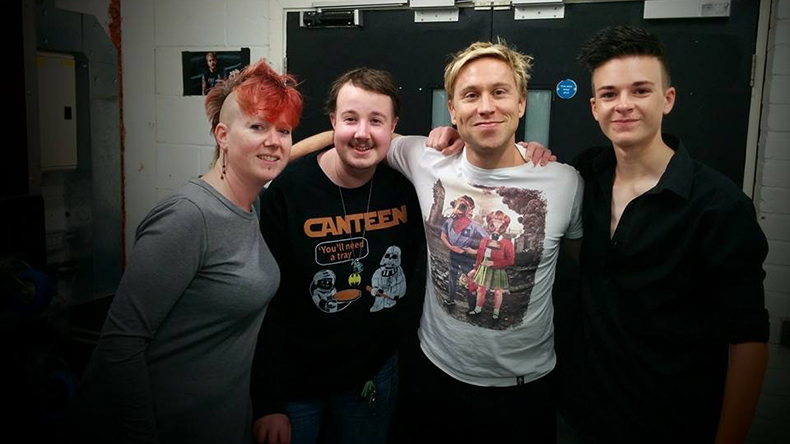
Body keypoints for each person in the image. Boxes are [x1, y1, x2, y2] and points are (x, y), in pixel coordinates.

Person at [69, 59, 303, 444]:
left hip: (217, 421)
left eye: (284, 130)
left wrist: (348, 136)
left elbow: (276, 154)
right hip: (161, 426)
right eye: (258, 126)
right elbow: (121, 344)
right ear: (222, 135)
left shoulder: (250, 204)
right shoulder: (188, 217)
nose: (274, 140)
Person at [554, 26, 770, 444]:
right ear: (594, 107)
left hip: (671, 422)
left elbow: (748, 339)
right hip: (579, 416)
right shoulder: (584, 176)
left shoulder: (719, 205)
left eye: (640, 91)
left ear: (667, 99)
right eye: (610, 94)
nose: (624, 106)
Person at [384, 41, 582, 443]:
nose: (486, 106)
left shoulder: (564, 182)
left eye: (499, 92)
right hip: (437, 376)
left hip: (525, 389)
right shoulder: (427, 161)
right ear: (453, 109)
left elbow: (582, 264)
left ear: (522, 104)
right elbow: (364, 135)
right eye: (471, 96)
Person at [250, 68, 426, 444]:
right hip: (297, 385)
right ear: (333, 122)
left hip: (374, 377)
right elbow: (267, 303)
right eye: (350, 119)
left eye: (376, 120)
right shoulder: (288, 191)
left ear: (393, 127)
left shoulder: (408, 187)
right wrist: (268, 402)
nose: (362, 133)